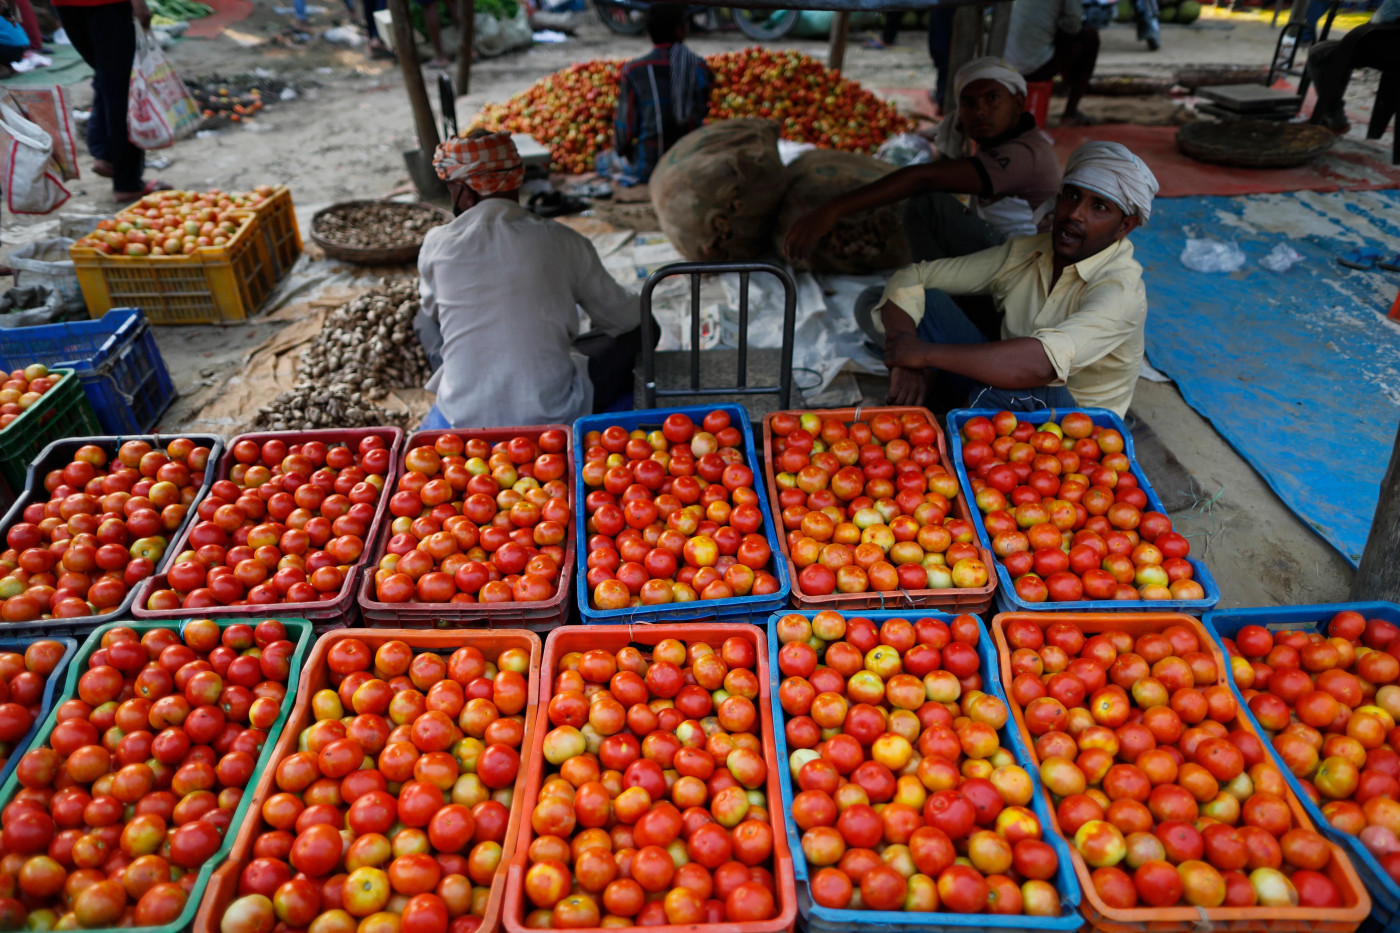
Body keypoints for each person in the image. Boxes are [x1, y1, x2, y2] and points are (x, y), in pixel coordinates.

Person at [878, 141, 1158, 417]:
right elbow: (913, 276)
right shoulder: (1028, 252)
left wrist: (923, 354)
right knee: (921, 302)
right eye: (1071, 195)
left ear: (1125, 226)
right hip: (1007, 390)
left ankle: (951, 427)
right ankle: (948, 407)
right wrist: (904, 352)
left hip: (1075, 429)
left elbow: (1041, 365)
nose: (1075, 214)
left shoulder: (1121, 290)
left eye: (1099, 207)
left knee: (1020, 384)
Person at [416, 132, 647, 429]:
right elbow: (627, 318)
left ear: (466, 192)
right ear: (515, 180)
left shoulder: (437, 244)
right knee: (643, 327)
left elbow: (433, 310)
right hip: (554, 411)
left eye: (451, 190)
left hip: (461, 414)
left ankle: (462, 378)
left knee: (422, 319)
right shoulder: (564, 241)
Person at [786, 58, 1061, 271]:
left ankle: (936, 290)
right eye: (969, 103)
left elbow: (926, 178)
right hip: (1007, 254)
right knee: (876, 306)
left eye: (992, 98)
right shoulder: (1002, 143)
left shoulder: (1025, 153)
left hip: (1026, 266)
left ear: (1017, 103)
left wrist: (833, 209)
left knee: (929, 205)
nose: (979, 110)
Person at [52, 0, 167, 201]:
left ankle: (107, 155)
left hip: (66, 5)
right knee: (123, 88)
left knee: (109, 75)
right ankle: (128, 183)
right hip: (108, 4)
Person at [603, 3, 712, 185]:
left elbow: (625, 132)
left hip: (650, 166)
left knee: (603, 161)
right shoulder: (698, 66)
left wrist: (621, 151)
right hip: (691, 162)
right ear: (680, 30)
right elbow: (702, 112)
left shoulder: (634, 70)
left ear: (649, 33)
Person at [1306, 0, 1400, 134]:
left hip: (1388, 48)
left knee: (1321, 54)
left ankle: (1335, 119)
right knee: (1345, 49)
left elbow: (1382, 18)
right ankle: (1333, 118)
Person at [1005, 0, 1100, 127]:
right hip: (1034, 67)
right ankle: (1070, 112)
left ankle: (1065, 87)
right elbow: (1073, 25)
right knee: (1090, 38)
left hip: (1006, 63)